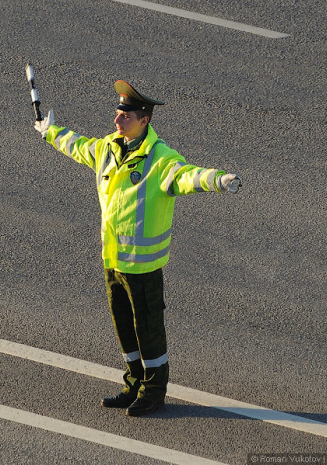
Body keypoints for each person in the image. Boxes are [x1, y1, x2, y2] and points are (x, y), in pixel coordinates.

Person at [33, 80, 241, 417]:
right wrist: (50, 131)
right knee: (123, 326)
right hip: (113, 261)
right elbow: (78, 146)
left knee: (148, 330)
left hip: (143, 267)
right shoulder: (108, 148)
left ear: (144, 120)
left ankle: (154, 391)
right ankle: (134, 384)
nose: (117, 121)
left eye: (125, 116)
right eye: (117, 114)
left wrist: (218, 180)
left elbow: (187, 176)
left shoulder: (160, 158)